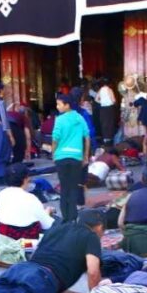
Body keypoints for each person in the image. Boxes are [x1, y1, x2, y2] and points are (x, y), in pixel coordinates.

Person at [52, 91, 91, 222]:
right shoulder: (80, 118)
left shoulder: (60, 119)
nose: (57, 107)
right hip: (76, 157)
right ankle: (73, 216)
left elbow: (55, 138)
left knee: (64, 187)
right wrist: (85, 156)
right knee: (73, 187)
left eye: (59, 104)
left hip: (61, 157)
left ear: (67, 105)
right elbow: (87, 137)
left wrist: (53, 153)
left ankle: (65, 217)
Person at [0, 163, 55, 240]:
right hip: (27, 239)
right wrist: (47, 212)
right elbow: (47, 224)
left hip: (5, 236)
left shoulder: (2, 194)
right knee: (59, 224)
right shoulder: (31, 198)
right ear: (25, 179)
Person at [98, 77, 118, 146]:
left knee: (104, 123)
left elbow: (96, 99)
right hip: (109, 109)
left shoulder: (100, 90)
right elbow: (114, 100)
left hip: (102, 109)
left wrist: (102, 102)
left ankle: (105, 139)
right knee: (110, 123)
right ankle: (110, 140)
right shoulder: (109, 90)